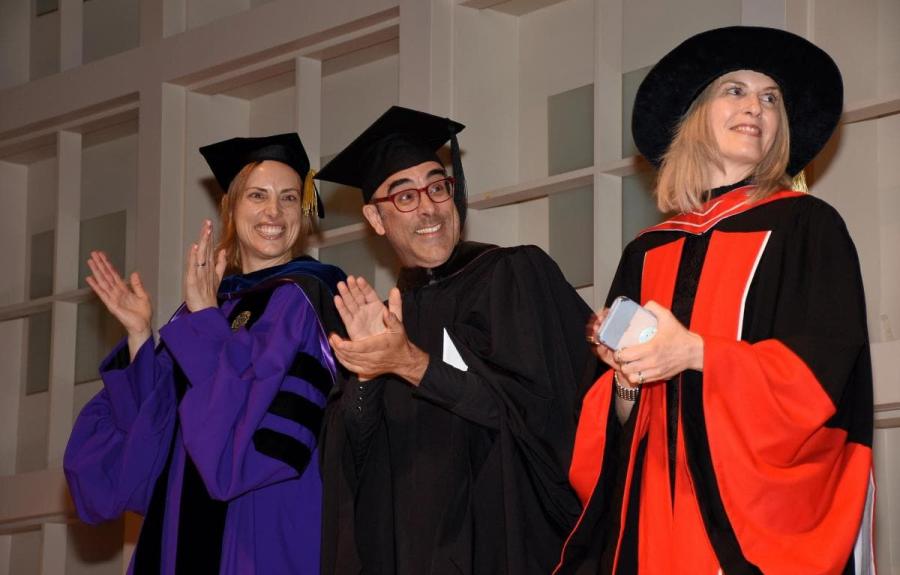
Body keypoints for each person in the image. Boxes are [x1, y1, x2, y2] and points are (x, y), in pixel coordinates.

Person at [553, 26, 875, 575]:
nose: (756, 107)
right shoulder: (647, 250)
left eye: (770, 98)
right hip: (655, 515)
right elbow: (610, 420)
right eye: (735, 90)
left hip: (754, 517)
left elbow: (824, 377)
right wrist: (626, 374)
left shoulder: (808, 228)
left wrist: (698, 354)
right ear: (696, 114)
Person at [315, 106, 599, 574]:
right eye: (403, 196)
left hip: (508, 545)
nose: (428, 207)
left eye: (437, 186)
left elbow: (539, 417)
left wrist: (410, 363)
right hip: (415, 552)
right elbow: (357, 463)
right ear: (375, 217)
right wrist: (365, 375)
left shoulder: (515, 276)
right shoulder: (388, 319)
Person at [64, 133, 346, 575]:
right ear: (231, 209)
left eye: (289, 198)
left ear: (303, 213)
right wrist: (140, 334)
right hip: (176, 527)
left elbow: (253, 418)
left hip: (260, 521)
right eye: (257, 196)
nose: (274, 212)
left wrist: (207, 322)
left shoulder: (309, 298)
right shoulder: (209, 303)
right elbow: (149, 438)